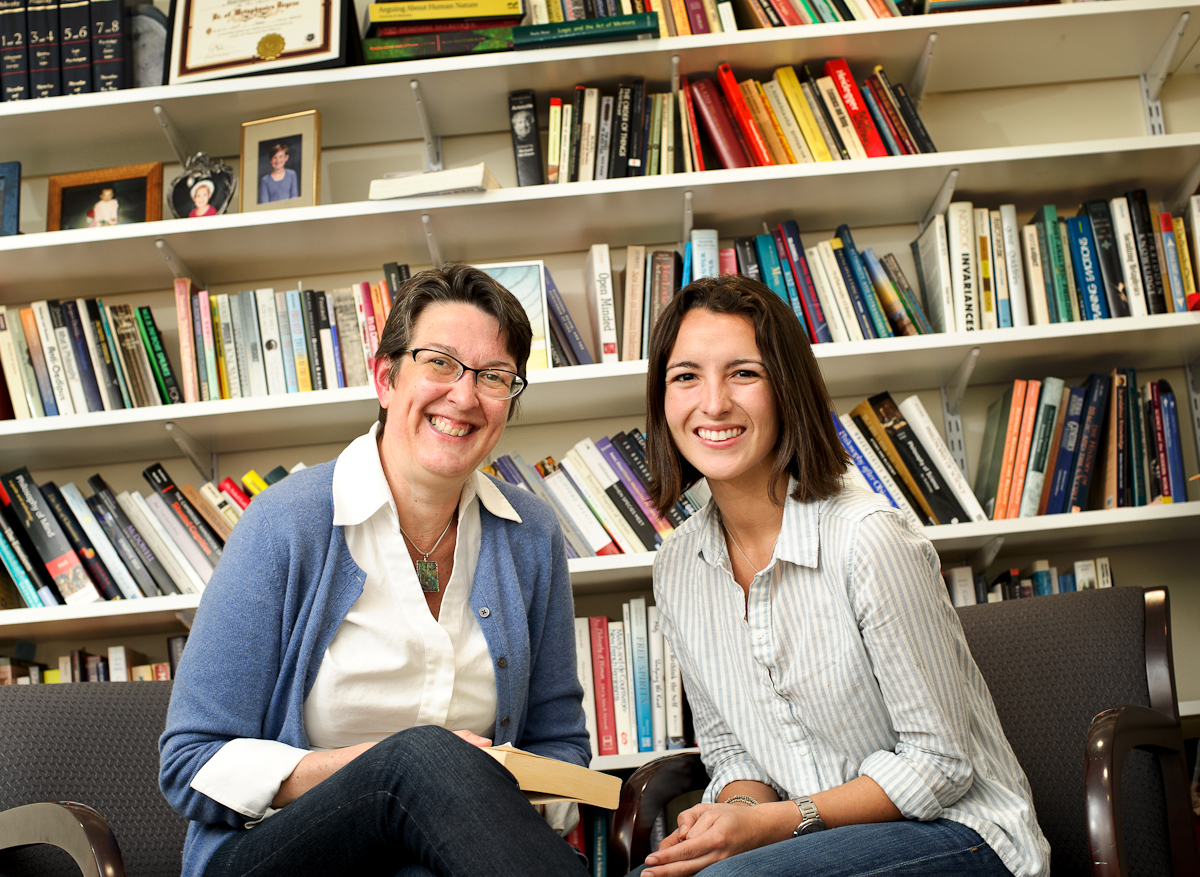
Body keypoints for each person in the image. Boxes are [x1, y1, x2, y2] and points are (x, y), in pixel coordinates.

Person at [160, 264, 592, 877]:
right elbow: (190, 763)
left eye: (494, 377)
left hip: (451, 858)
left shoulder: (532, 535)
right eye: (439, 362)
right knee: (421, 757)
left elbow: (561, 746)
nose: (464, 397)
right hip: (275, 857)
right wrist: (386, 767)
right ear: (386, 378)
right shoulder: (286, 523)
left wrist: (482, 793)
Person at [632, 274, 1050, 877]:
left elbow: (940, 764)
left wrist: (773, 824)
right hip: (803, 849)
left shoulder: (868, 537)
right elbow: (730, 748)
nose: (714, 402)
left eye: (744, 373)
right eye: (686, 376)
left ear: (788, 390)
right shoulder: (677, 568)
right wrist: (738, 813)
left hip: (959, 835)